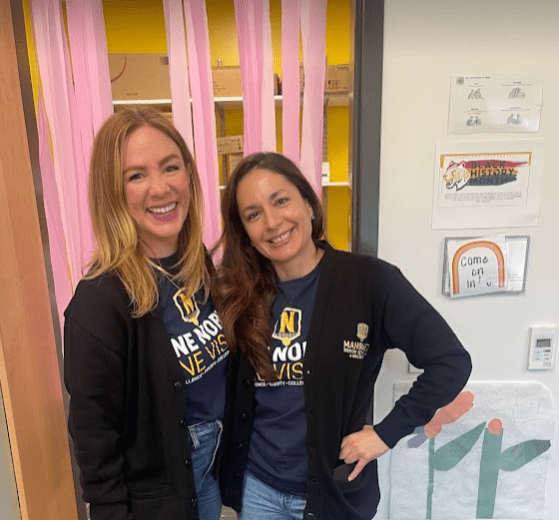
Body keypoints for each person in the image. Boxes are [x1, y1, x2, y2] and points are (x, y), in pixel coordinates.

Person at [213, 152, 472, 520]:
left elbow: (451, 361)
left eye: (281, 200)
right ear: (245, 231)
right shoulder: (240, 293)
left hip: (335, 492)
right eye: (253, 214)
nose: (272, 223)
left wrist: (386, 432)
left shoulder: (368, 281)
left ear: (308, 202)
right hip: (260, 489)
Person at [64, 107, 228, 520]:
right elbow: (95, 439)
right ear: (112, 192)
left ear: (188, 175)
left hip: (210, 475)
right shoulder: (99, 303)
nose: (160, 188)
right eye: (136, 175)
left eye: (170, 167)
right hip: (158, 497)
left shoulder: (199, 267)